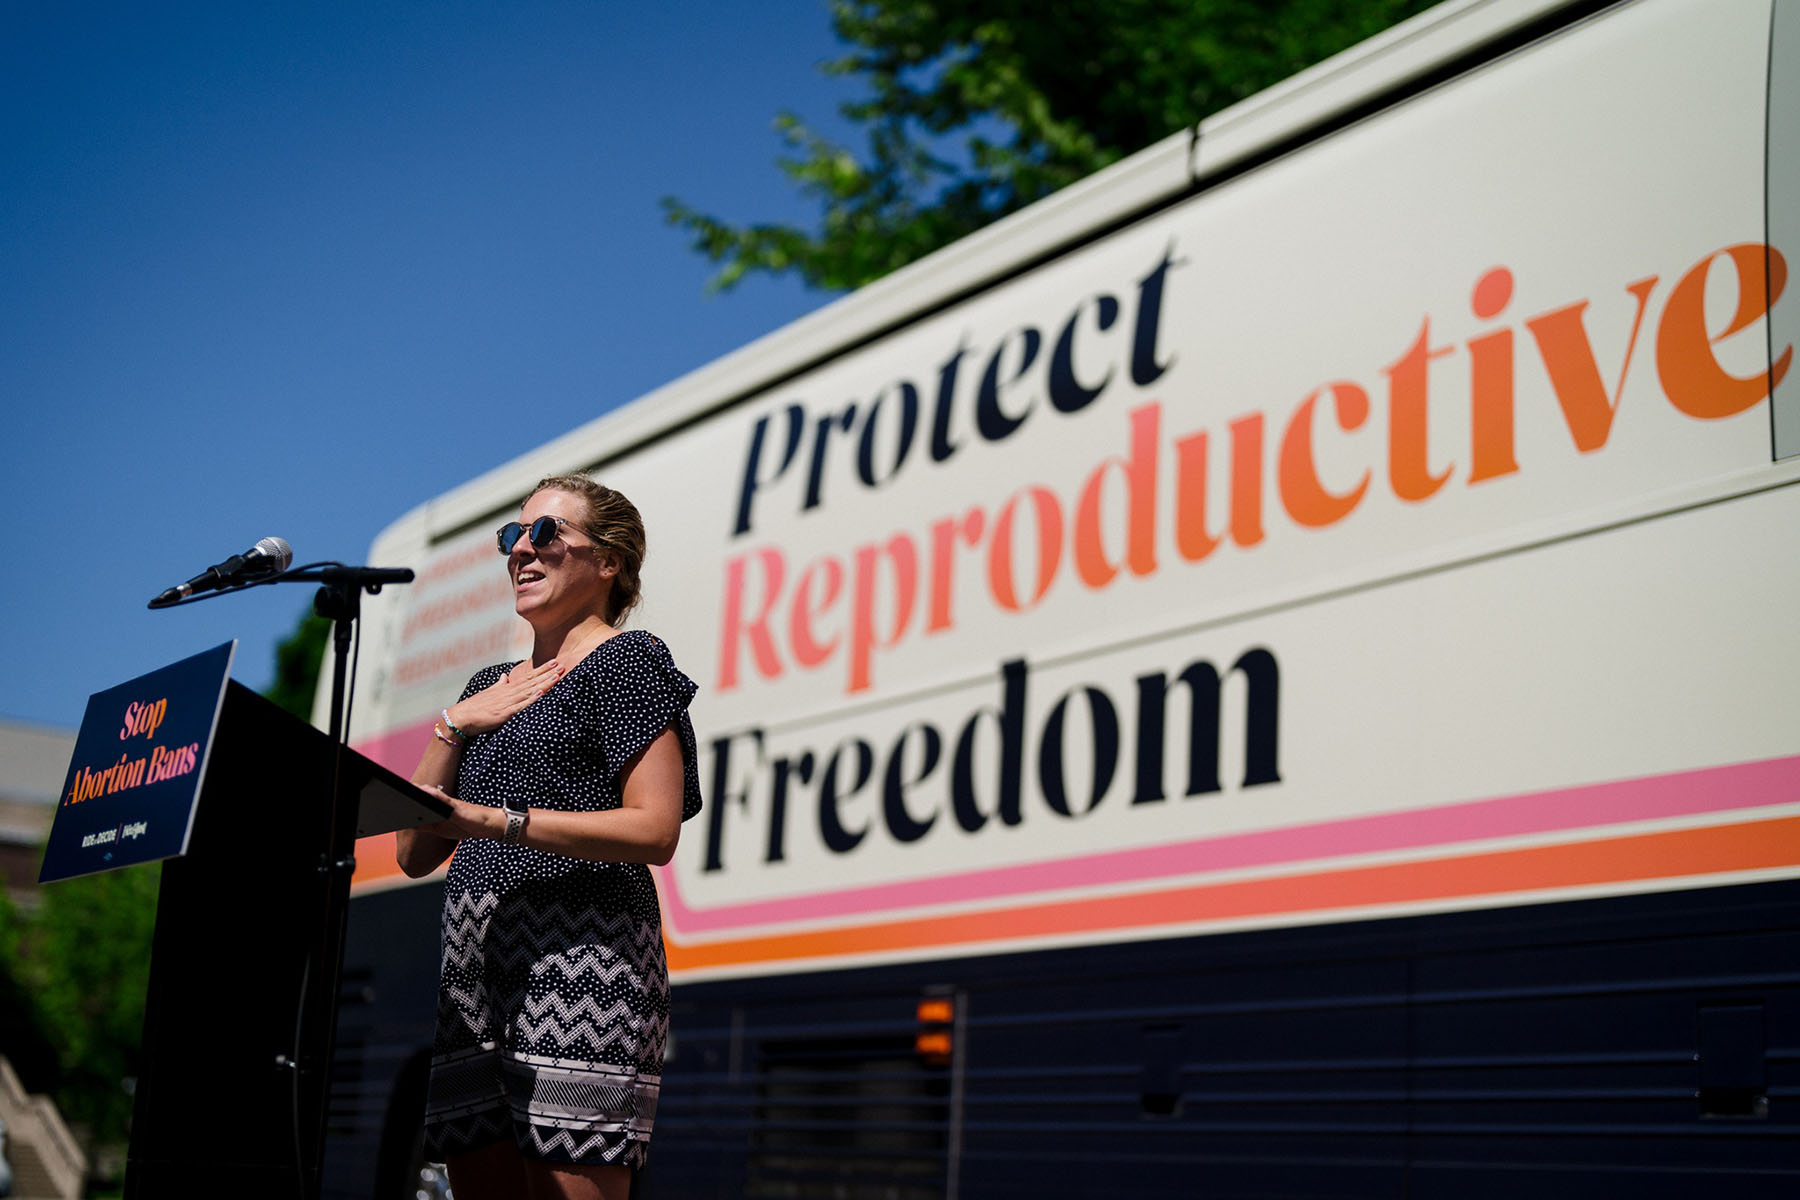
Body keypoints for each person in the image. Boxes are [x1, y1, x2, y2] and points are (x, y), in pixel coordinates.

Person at [396, 475, 702, 1200]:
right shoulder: (489, 684)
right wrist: (455, 723)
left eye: (547, 534)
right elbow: (413, 854)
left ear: (610, 564)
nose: (522, 552)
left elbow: (655, 829)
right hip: (474, 987)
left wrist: (498, 821)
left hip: (581, 970)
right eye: (513, 536)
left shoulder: (626, 663)